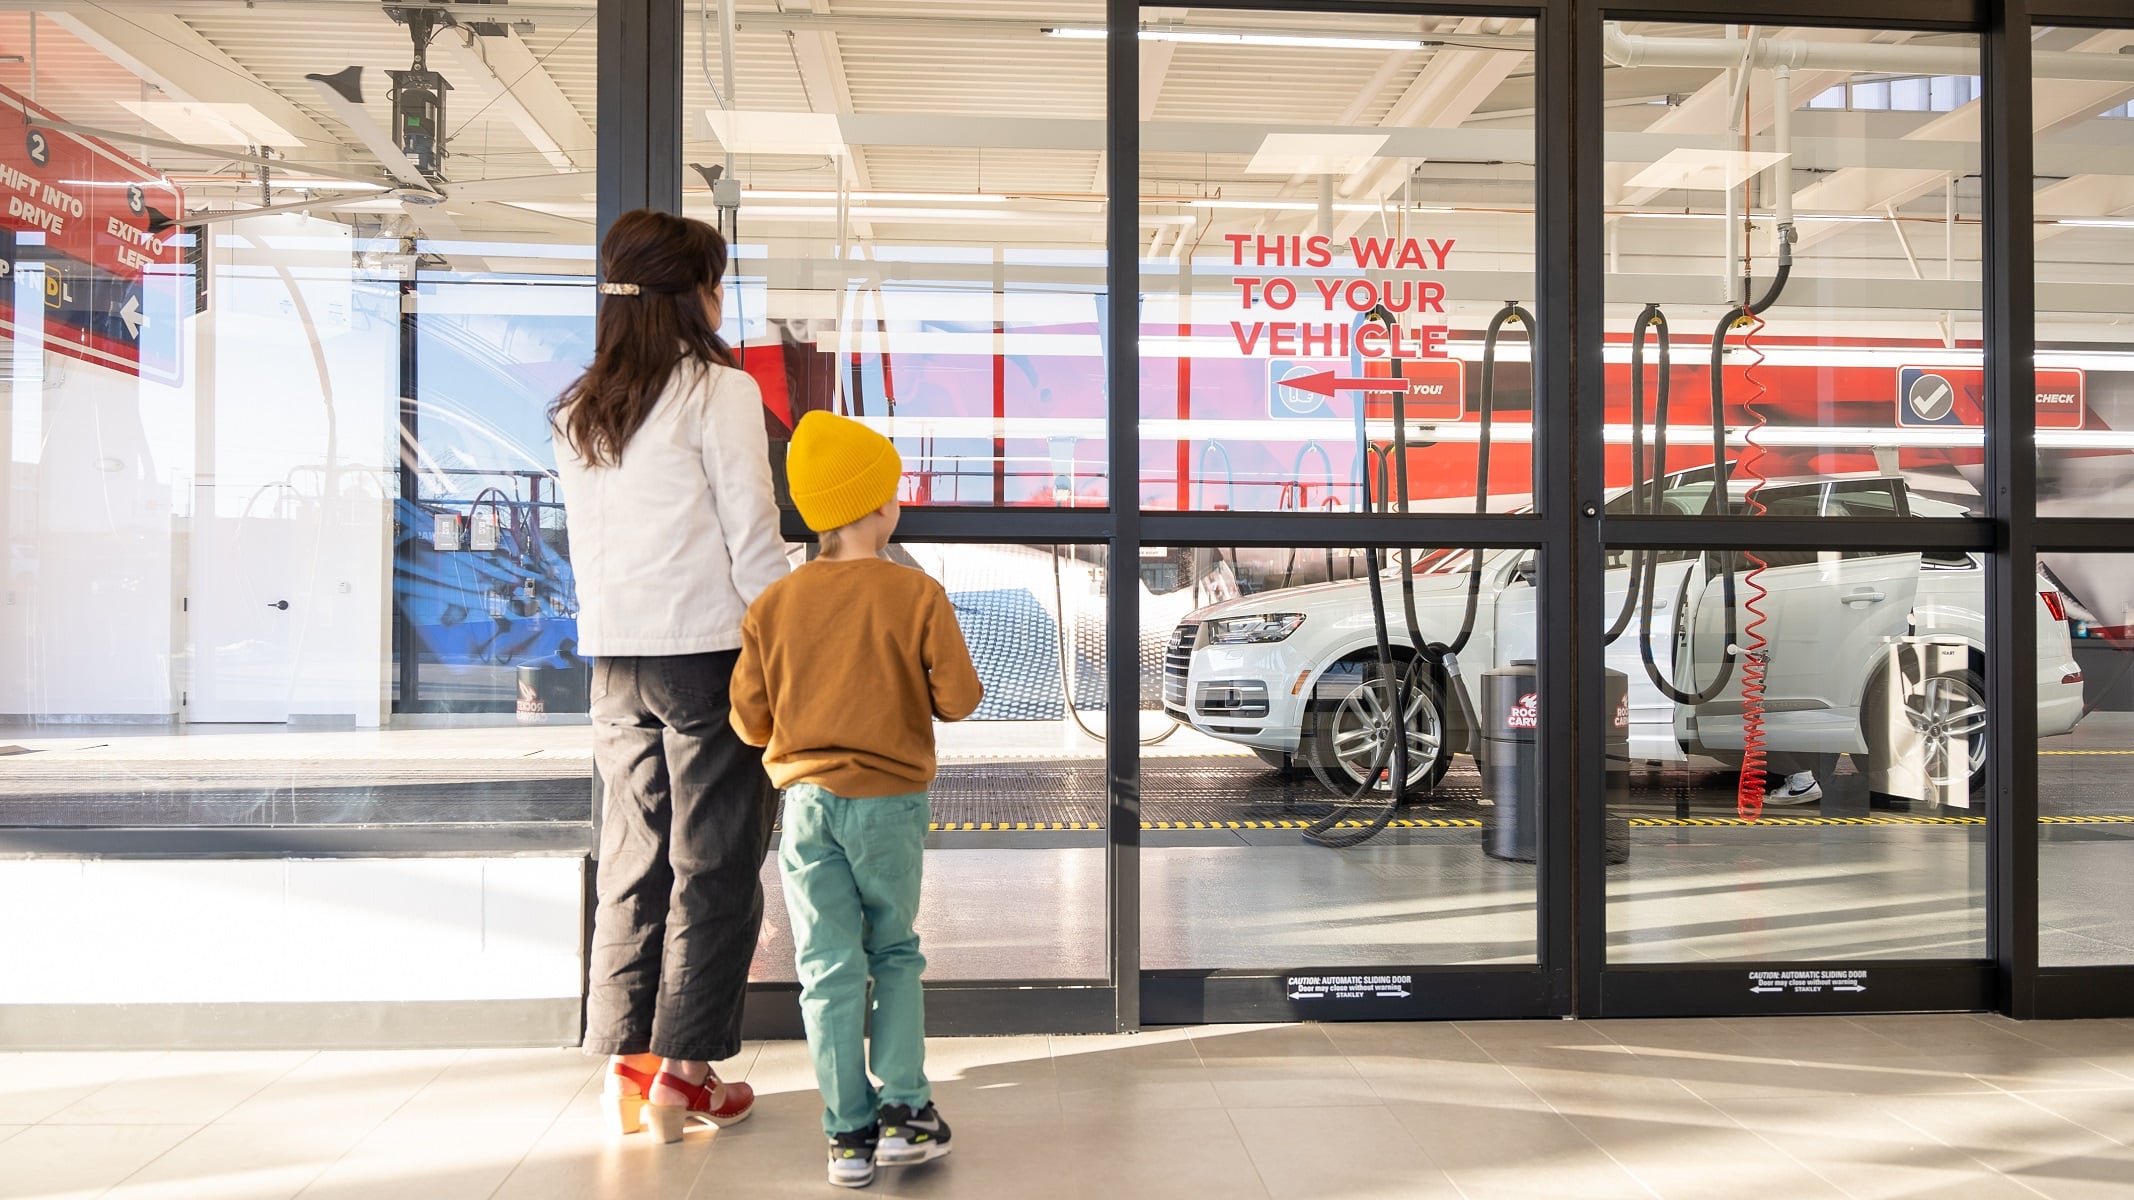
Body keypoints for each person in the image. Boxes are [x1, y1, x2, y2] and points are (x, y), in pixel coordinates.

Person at [550, 209, 790, 1143]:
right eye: (716, 281)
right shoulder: (714, 392)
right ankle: (684, 1074)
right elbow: (752, 538)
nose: (720, 298)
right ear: (691, 294)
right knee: (716, 861)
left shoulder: (579, 408)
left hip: (614, 660)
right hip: (706, 655)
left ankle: (627, 1061)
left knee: (634, 857)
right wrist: (784, 639)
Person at [730, 411, 985, 1189]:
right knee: (894, 951)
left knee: (827, 967)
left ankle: (847, 1135)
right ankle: (906, 1113)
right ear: (879, 507)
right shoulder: (917, 595)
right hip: (889, 805)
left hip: (805, 808)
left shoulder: (775, 606)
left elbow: (748, 719)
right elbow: (962, 699)